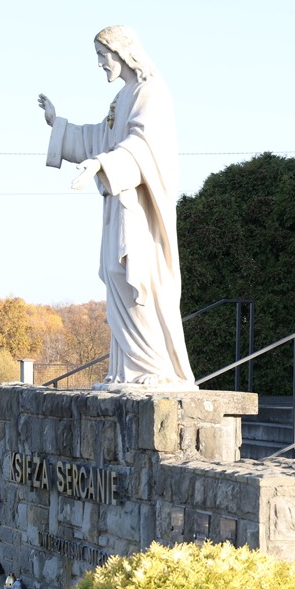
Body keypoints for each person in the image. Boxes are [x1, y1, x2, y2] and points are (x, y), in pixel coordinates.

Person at [38, 26, 195, 390]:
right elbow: (100, 137)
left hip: (139, 206)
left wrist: (102, 164)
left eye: (102, 55)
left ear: (122, 52)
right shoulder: (122, 97)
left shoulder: (151, 90)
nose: (99, 63)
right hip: (118, 204)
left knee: (134, 277)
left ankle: (155, 366)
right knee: (115, 274)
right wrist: (58, 126)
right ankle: (128, 370)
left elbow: (143, 145)